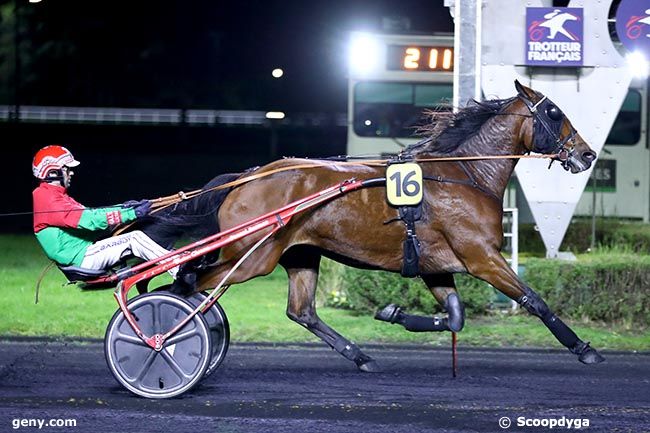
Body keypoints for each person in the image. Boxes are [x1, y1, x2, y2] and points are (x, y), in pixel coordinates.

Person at [32, 145, 177, 278]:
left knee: (139, 233)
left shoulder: (54, 195)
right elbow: (90, 220)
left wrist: (124, 207)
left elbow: (93, 213)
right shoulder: (49, 199)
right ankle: (179, 269)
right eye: (67, 169)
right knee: (135, 238)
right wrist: (132, 213)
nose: (71, 173)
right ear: (52, 172)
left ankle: (177, 259)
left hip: (84, 252)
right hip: (83, 258)